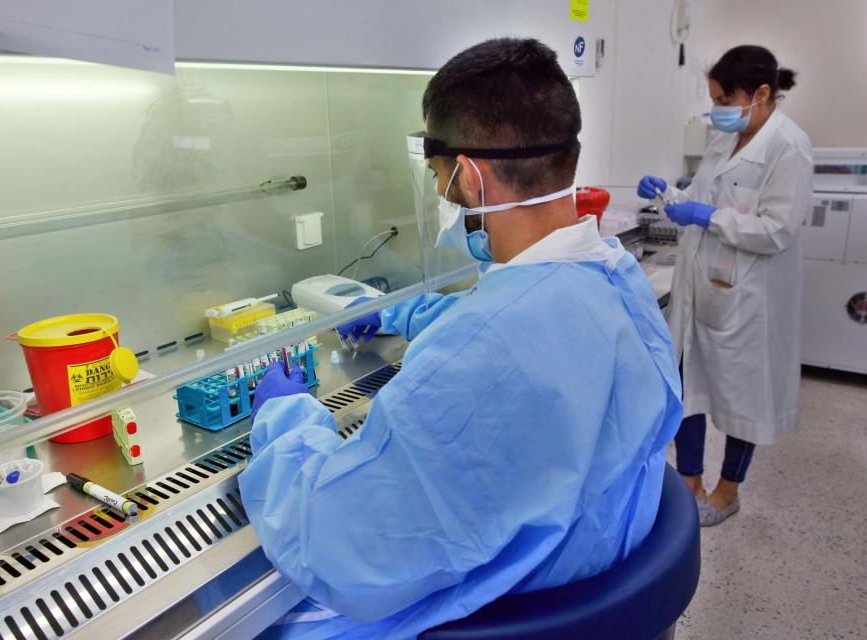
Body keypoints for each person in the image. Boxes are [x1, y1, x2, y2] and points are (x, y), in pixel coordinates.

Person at [240, 38, 682, 640]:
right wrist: (405, 315)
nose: (441, 193)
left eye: (437, 175)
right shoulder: (617, 279)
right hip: (594, 572)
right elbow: (527, 320)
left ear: (469, 176)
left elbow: (338, 546)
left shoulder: (479, 354)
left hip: (505, 608)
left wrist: (286, 422)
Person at [637, 45, 812, 526]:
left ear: (760, 93)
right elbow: (699, 197)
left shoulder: (788, 146)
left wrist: (708, 216)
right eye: (713, 99)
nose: (717, 110)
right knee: (687, 382)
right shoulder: (721, 139)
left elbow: (777, 228)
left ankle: (727, 491)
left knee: (744, 397)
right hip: (701, 287)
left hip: (751, 298)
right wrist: (666, 193)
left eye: (724, 99)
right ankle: (689, 481)